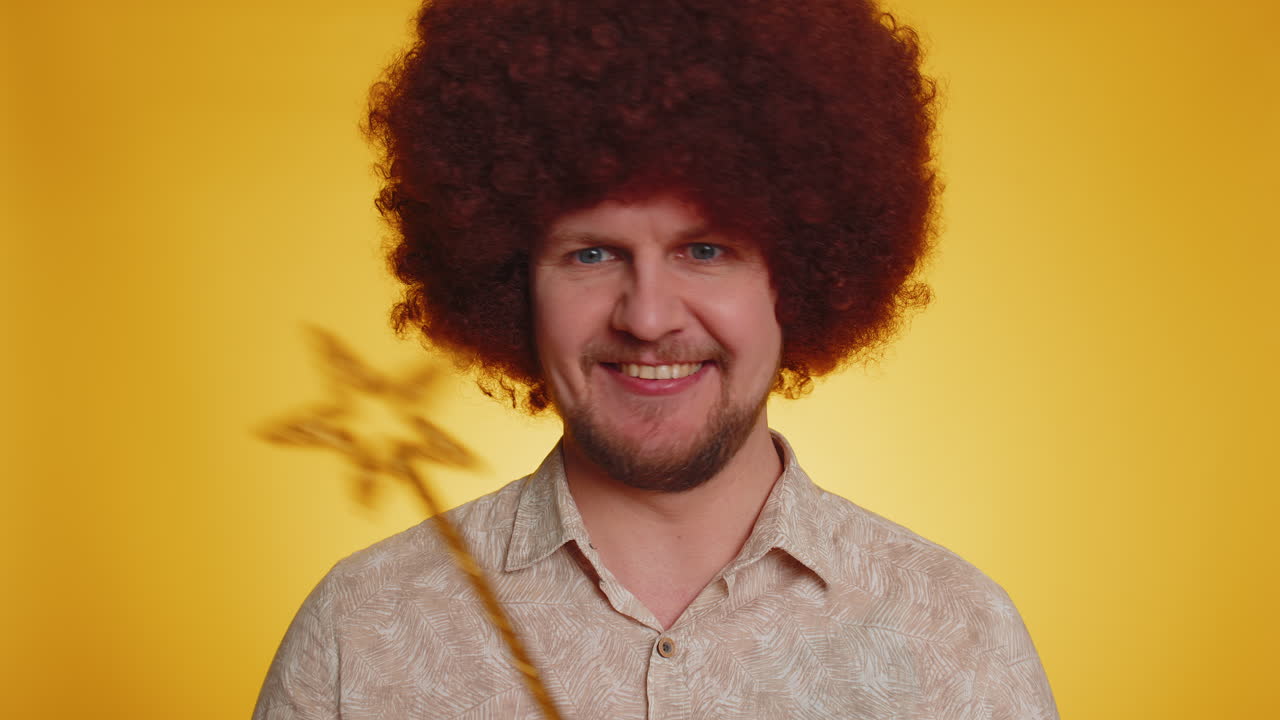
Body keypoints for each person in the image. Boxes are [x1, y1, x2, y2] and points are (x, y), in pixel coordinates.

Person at [253, 0, 1058, 717]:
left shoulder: (956, 636)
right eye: (593, 254)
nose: (647, 316)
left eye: (705, 250)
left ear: (805, 277)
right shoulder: (360, 634)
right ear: (507, 282)